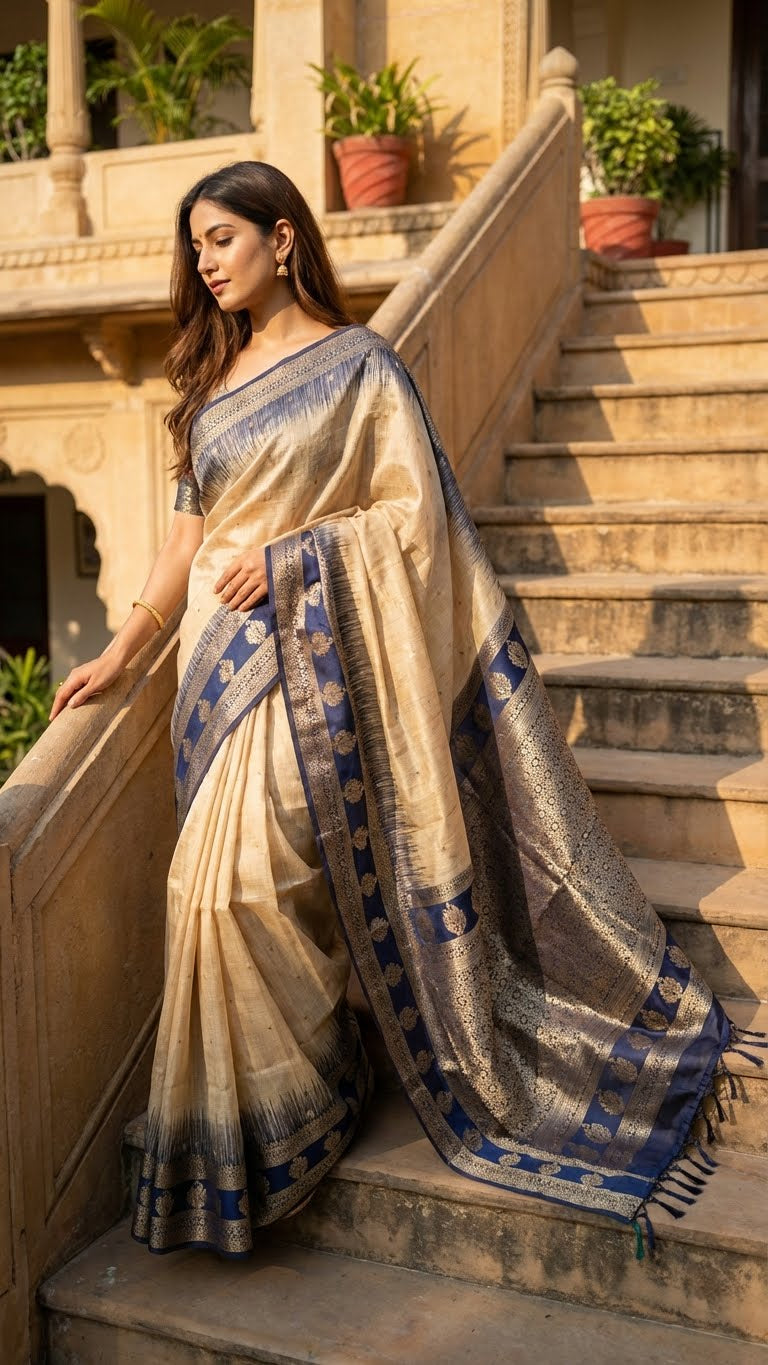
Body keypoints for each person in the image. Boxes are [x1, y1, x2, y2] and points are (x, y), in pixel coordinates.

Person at [51, 162, 760, 1259]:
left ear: (284, 239)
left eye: (222, 238)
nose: (205, 261)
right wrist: (127, 652)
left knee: (243, 883)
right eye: (194, 246)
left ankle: (314, 1089)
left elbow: (411, 518)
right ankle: (267, 1130)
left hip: (319, 656)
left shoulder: (361, 367)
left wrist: (296, 558)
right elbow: (185, 542)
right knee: (200, 884)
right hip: (218, 671)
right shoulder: (210, 380)